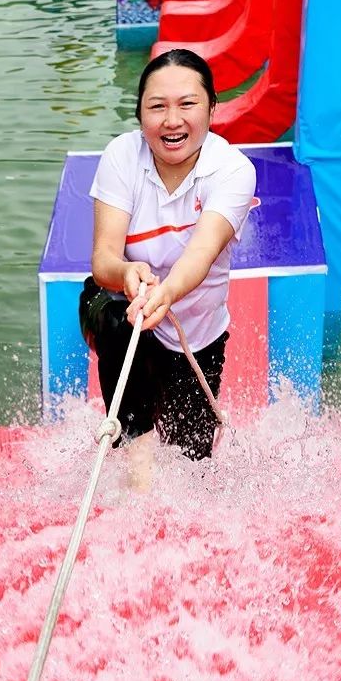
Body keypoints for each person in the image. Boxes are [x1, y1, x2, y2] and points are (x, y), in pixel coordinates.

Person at [79, 48, 256, 474]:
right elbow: (103, 258)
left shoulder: (232, 170)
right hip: (127, 314)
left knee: (192, 470)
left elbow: (201, 251)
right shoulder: (122, 156)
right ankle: (136, 463)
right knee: (120, 318)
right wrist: (125, 272)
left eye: (187, 105)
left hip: (197, 339)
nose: (171, 120)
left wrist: (170, 291)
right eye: (157, 107)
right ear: (140, 114)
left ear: (212, 108)